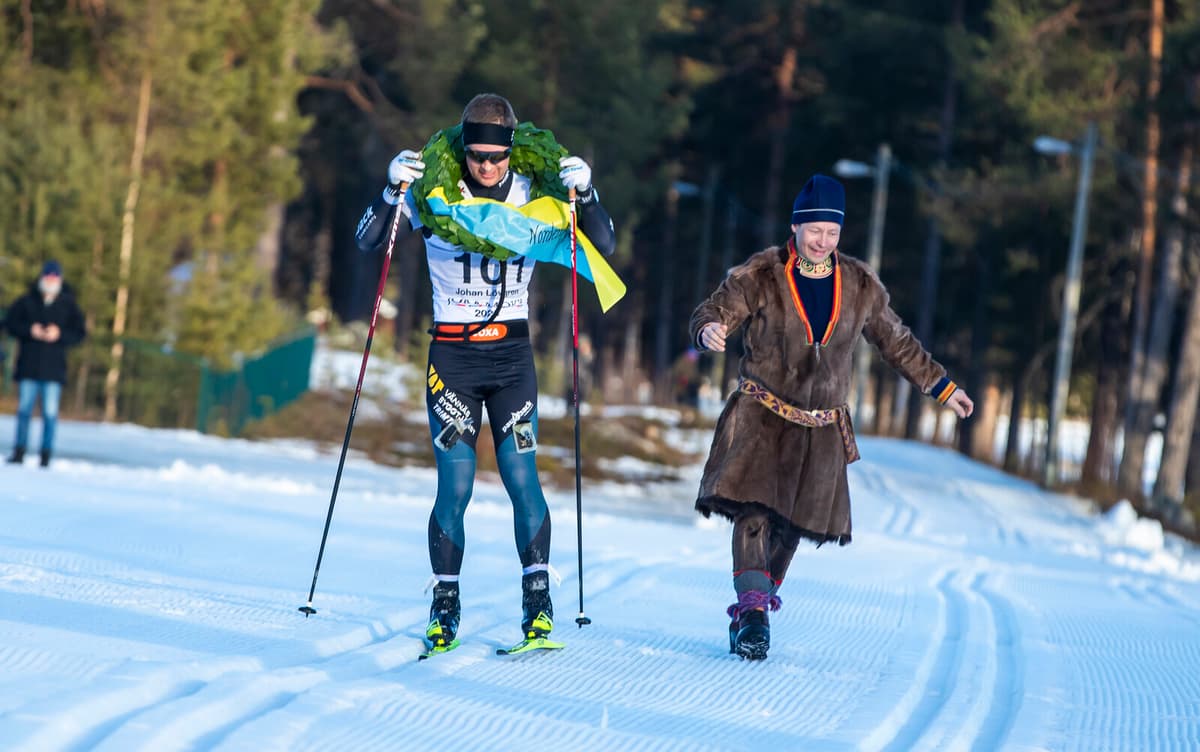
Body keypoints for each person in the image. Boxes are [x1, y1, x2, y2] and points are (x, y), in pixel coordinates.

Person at [354, 93, 616, 651]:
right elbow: (367, 239)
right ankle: (444, 608)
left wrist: (587, 194)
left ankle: (538, 604)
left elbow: (606, 245)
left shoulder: (533, 193)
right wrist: (389, 189)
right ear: (464, 150)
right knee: (456, 486)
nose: (487, 167)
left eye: (496, 157)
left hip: (512, 358)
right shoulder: (435, 192)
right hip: (452, 357)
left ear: (511, 151)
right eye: (476, 156)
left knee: (523, 479)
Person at [690, 174, 973, 660]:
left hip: (821, 426)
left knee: (794, 524)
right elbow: (716, 308)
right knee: (753, 509)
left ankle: (760, 598)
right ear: (796, 227)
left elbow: (896, 342)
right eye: (814, 230)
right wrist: (709, 329)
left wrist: (941, 386)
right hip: (762, 413)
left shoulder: (860, 285)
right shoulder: (762, 273)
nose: (822, 241)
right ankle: (754, 613)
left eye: (832, 232)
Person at [5, 260, 87, 468]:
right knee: (24, 411)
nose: (50, 282)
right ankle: (19, 450)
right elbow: (9, 323)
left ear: (59, 280)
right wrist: (29, 330)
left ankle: (46, 454)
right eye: (48, 278)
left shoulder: (68, 305)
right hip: (29, 366)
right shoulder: (27, 301)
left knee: (50, 414)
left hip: (54, 369)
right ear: (42, 278)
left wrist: (59, 335)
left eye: (54, 279)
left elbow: (79, 333)